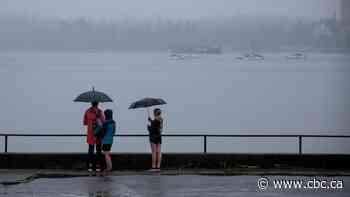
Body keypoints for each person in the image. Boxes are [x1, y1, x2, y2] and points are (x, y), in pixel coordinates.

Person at [83, 101, 105, 173]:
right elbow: (103, 122)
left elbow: (85, 122)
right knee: (99, 151)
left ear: (91, 103)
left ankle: (90, 167)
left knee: (90, 151)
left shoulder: (87, 111)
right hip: (98, 134)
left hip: (91, 135)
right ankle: (99, 167)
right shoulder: (100, 111)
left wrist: (91, 122)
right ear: (98, 104)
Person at [101, 109, 116, 173]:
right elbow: (114, 131)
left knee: (106, 154)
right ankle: (110, 166)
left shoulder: (106, 123)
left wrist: (100, 124)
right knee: (108, 153)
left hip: (105, 140)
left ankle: (109, 168)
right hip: (111, 140)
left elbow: (103, 132)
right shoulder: (113, 122)